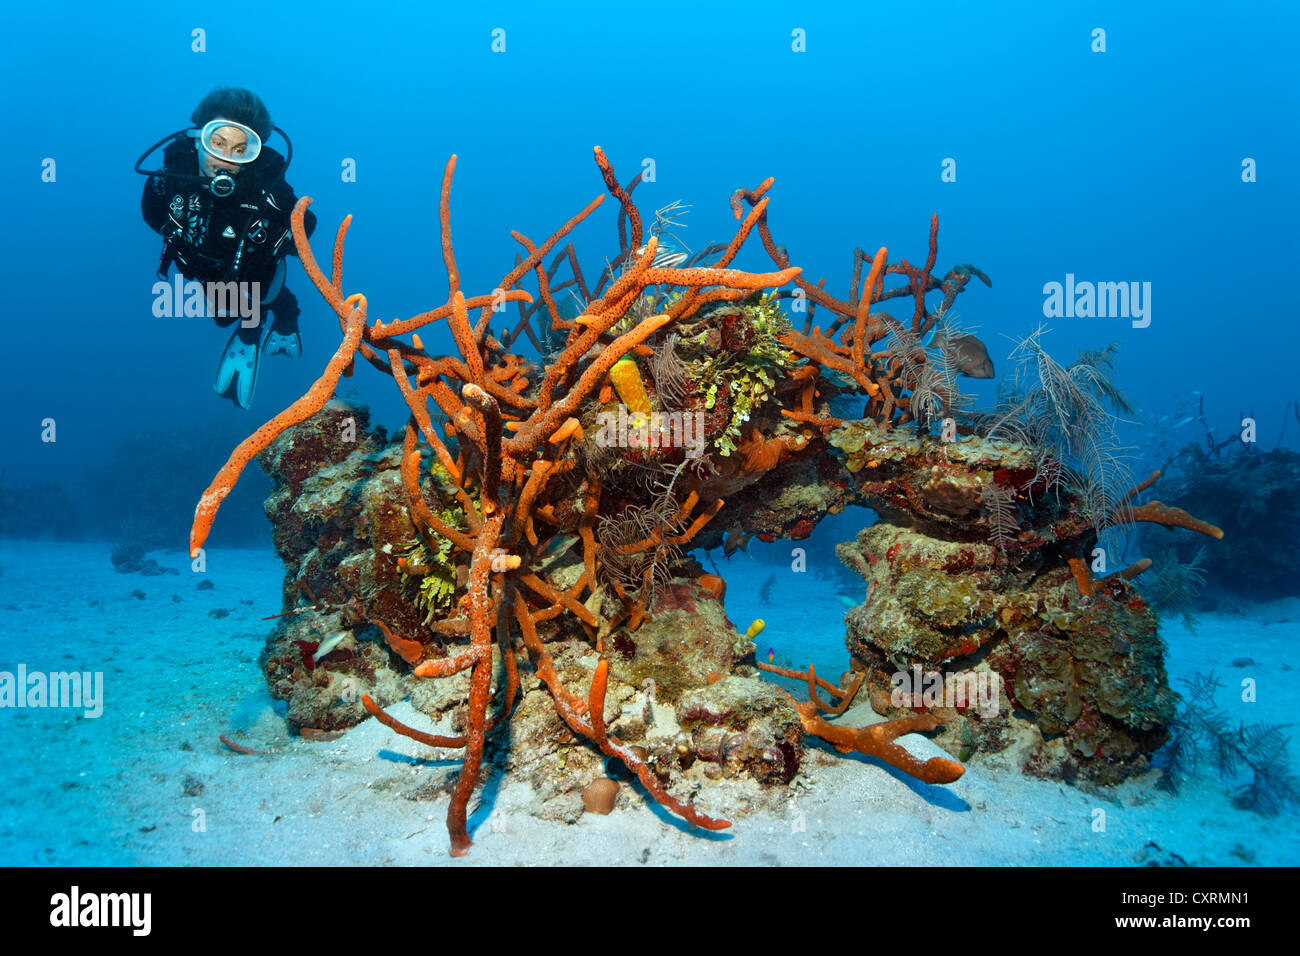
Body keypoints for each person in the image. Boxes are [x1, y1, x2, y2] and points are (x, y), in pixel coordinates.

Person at [140, 87, 316, 408]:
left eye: (241, 149)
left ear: (254, 153)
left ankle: (279, 317)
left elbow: (307, 223)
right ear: (198, 139)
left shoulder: (265, 185)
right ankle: (252, 319)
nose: (226, 159)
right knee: (223, 317)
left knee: (267, 294)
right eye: (217, 143)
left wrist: (282, 229)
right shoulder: (172, 177)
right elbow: (151, 213)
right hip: (201, 266)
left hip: (253, 265)